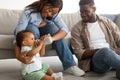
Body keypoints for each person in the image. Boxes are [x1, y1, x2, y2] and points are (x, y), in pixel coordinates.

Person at [13, 0, 85, 77]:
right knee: (33, 30)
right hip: (31, 34)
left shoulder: (53, 14)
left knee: (54, 28)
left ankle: (70, 65)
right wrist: (18, 55)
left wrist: (52, 39)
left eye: (53, 13)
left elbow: (65, 29)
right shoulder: (28, 11)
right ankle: (33, 66)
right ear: (45, 2)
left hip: (44, 33)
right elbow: (19, 33)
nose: (50, 14)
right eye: (50, 10)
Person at [71, 0, 120, 75]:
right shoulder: (77, 28)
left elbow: (118, 39)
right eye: (81, 12)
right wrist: (100, 50)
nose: (83, 15)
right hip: (96, 61)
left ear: (94, 9)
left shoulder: (106, 22)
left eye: (86, 11)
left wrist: (115, 51)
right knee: (105, 51)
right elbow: (79, 53)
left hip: (113, 56)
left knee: (108, 52)